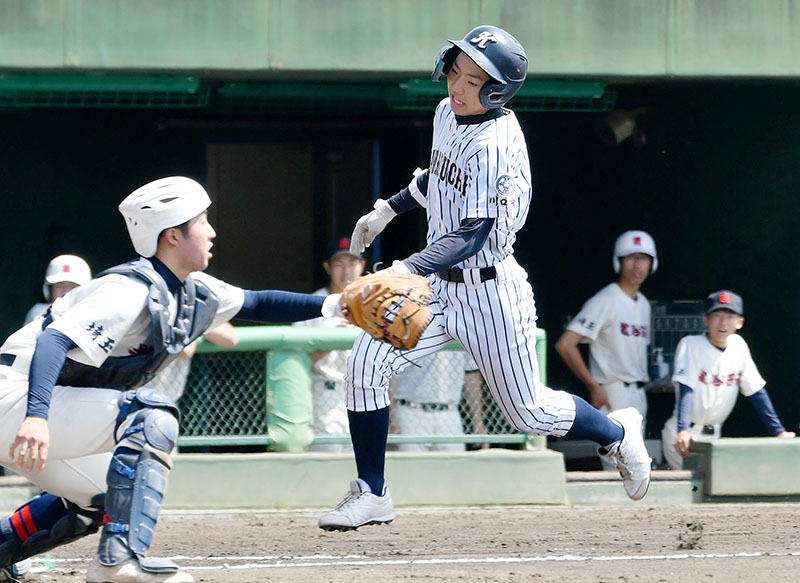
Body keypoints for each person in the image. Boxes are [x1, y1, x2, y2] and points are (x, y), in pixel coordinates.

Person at [318, 24, 652, 532]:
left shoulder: (496, 142)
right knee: (365, 366)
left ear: (497, 90)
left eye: (472, 80)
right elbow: (438, 176)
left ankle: (616, 433)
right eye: (455, 72)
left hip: (491, 291)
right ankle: (372, 493)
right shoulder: (445, 114)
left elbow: (472, 234)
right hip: (441, 287)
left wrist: (405, 269)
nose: (456, 85)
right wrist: (389, 208)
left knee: (529, 414)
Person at [0, 176, 342, 583]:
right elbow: (54, 341)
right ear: (174, 236)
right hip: (18, 399)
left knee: (103, 497)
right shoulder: (127, 288)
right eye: (203, 222)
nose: (213, 231)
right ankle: (119, 561)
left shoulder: (191, 290)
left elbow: (259, 301)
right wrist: (36, 416)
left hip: (49, 408)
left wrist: (341, 304)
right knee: (149, 414)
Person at [554, 230, 656, 469]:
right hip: (613, 393)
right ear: (618, 262)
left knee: (636, 468)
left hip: (638, 393)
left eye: (644, 258)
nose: (637, 265)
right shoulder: (607, 298)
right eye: (630, 257)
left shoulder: (643, 304)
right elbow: (566, 344)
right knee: (619, 467)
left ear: (652, 263)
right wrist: (593, 385)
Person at [661, 290, 795, 470]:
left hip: (714, 437)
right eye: (717, 315)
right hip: (686, 435)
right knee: (697, 490)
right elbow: (687, 387)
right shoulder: (691, 344)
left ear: (740, 322)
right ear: (705, 319)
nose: (723, 322)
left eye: (730, 316)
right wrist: (682, 430)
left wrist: (778, 431)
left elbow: (756, 391)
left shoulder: (739, 346)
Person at [294, 237, 366, 452]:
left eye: (352, 264)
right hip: (326, 394)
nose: (346, 272)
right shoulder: (311, 305)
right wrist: (333, 338)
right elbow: (298, 361)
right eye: (339, 264)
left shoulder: (374, 305)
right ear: (327, 267)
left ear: (362, 266)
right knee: (328, 464)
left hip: (363, 395)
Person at [391, 351, 488, 452]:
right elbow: (389, 370)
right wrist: (392, 417)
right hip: (410, 410)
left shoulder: (464, 335)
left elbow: (471, 372)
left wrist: (478, 421)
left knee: (454, 465)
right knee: (409, 465)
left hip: (450, 413)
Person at [148, 322, 238, 404]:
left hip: (167, 403)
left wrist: (197, 321)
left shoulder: (191, 311)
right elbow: (185, 351)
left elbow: (231, 338)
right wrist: (195, 327)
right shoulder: (152, 309)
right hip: (138, 398)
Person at [24, 254, 92, 325]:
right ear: (49, 289)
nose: (66, 291)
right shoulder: (38, 313)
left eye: (73, 286)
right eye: (60, 285)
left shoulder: (95, 313)